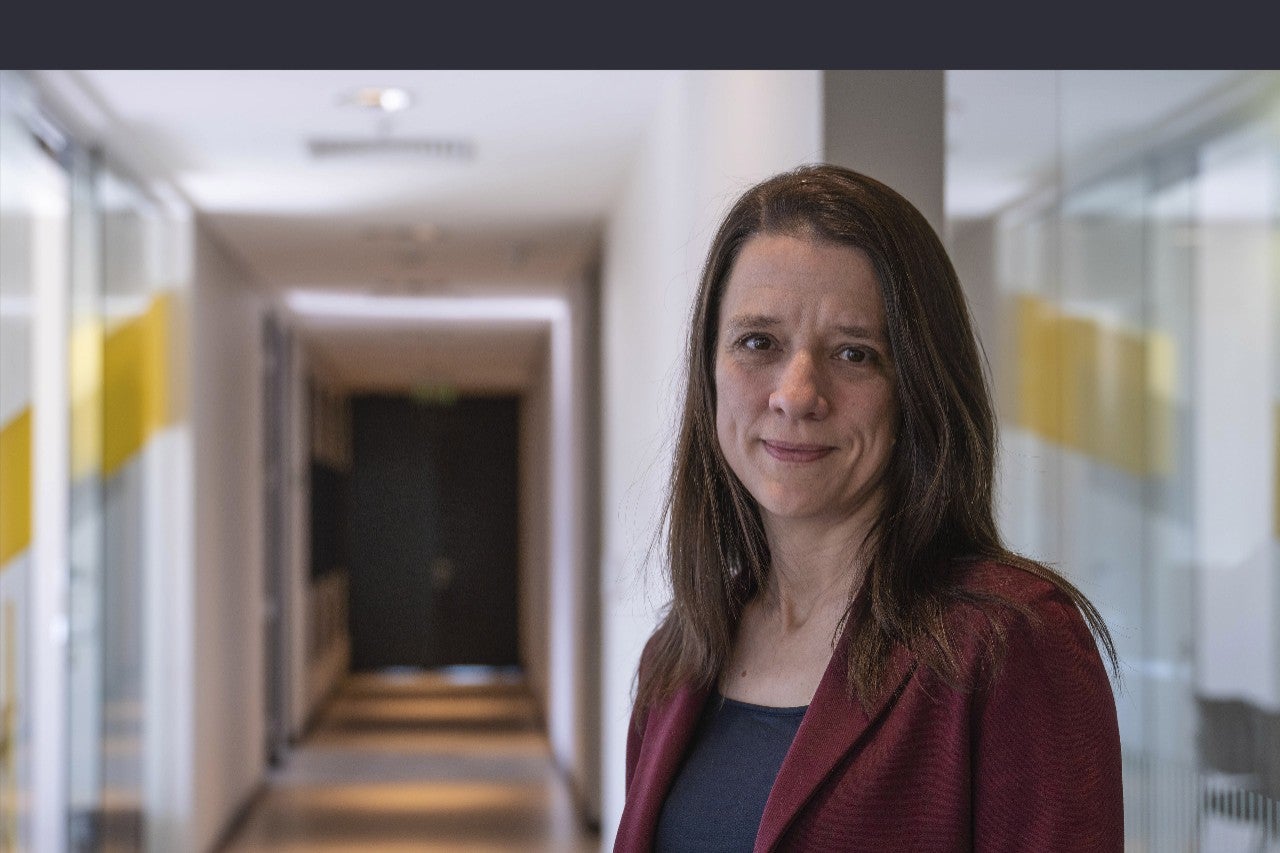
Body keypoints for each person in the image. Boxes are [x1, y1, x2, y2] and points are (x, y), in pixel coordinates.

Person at [614, 164, 1123, 852]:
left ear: (917, 387)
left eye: (854, 353)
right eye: (758, 342)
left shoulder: (1008, 644)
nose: (797, 395)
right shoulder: (677, 657)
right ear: (709, 371)